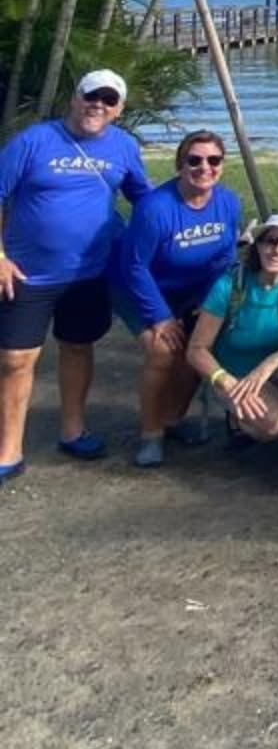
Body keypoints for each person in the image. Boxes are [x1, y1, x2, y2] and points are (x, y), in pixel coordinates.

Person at [0, 70, 150, 479]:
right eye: (91, 96)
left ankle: (72, 430)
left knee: (78, 346)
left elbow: (147, 203)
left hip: (89, 273)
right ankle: (8, 450)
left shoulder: (124, 147)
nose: (97, 105)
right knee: (16, 359)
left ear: (118, 110)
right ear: (75, 97)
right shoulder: (33, 142)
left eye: (108, 99)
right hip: (26, 274)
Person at [111, 131, 244, 466]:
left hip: (193, 292)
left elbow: (226, 257)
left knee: (198, 349)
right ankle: (150, 434)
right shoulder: (156, 208)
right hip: (141, 289)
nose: (204, 167)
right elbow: (135, 266)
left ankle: (170, 420)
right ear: (180, 165)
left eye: (213, 160)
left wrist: (213, 301)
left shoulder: (228, 203)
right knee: (163, 350)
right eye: (194, 160)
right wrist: (160, 317)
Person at [187, 213, 278, 443]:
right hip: (236, 375)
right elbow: (196, 349)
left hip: (276, 365)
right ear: (258, 244)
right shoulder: (229, 284)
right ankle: (241, 418)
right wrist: (225, 381)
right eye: (271, 241)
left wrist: (273, 361)